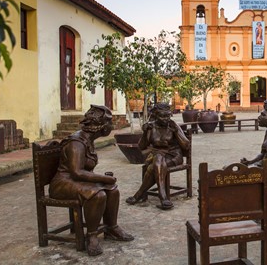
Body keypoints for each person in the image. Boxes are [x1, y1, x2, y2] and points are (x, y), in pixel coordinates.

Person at [49, 105, 134, 256]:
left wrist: (106, 181)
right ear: (100, 126)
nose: (111, 126)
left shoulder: (88, 140)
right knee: (97, 194)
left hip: (76, 181)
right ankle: (92, 235)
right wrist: (103, 178)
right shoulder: (77, 142)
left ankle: (111, 228)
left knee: (112, 189)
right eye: (109, 123)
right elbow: (76, 172)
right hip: (63, 183)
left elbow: (84, 172)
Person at [126, 103, 190, 210]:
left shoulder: (172, 125)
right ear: (155, 115)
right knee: (156, 162)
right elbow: (141, 147)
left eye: (167, 116)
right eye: (162, 116)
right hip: (157, 157)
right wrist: (145, 132)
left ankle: (142, 195)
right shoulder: (151, 127)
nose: (165, 119)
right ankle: (162, 197)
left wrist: (176, 132)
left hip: (173, 156)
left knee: (156, 162)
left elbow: (186, 145)